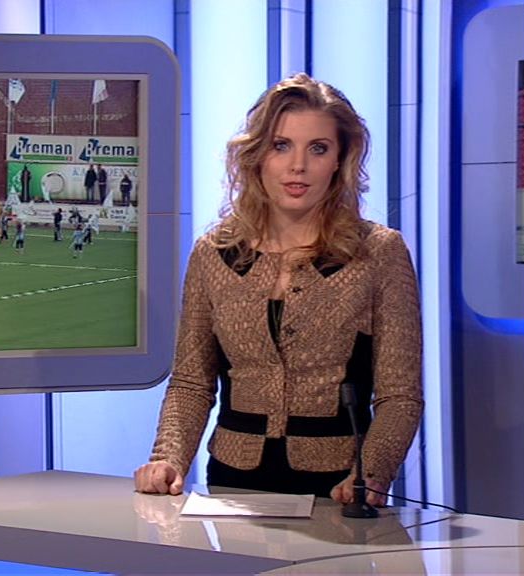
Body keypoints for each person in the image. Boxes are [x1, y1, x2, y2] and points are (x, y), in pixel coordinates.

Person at [133, 73, 423, 507]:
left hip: (340, 487)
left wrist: (372, 474)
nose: (297, 166)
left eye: (318, 148)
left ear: (340, 159)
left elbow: (400, 395)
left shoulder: (378, 253)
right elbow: (192, 382)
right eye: (281, 145)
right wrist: (167, 459)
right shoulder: (213, 253)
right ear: (256, 156)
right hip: (233, 482)